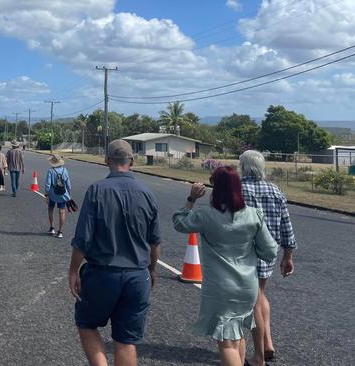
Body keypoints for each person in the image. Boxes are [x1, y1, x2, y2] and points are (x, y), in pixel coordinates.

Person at [172, 167, 278, 366]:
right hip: (248, 286)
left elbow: (179, 223)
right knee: (237, 333)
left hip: (220, 288)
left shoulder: (207, 215)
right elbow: (270, 251)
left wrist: (191, 199)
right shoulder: (254, 215)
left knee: (226, 342)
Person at [68, 139, 161, 366]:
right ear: (132, 160)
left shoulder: (97, 190)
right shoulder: (147, 193)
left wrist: (73, 271)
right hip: (137, 275)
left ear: (107, 160)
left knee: (87, 324)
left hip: (102, 273)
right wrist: (152, 269)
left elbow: (83, 238)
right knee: (126, 340)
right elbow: (155, 242)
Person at [239, 150, 297, 366]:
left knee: (252, 300)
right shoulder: (275, 190)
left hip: (244, 253)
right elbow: (286, 226)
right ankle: (267, 342)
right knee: (260, 293)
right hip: (268, 253)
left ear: (243, 167)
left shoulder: (238, 190)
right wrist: (288, 255)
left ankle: (257, 354)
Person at [44, 155, 71, 239]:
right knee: (62, 211)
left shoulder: (50, 171)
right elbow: (68, 184)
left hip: (52, 194)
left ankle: (52, 228)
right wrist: (69, 193)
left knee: (50, 209)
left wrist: (47, 194)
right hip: (63, 194)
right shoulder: (65, 170)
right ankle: (60, 231)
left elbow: (48, 184)